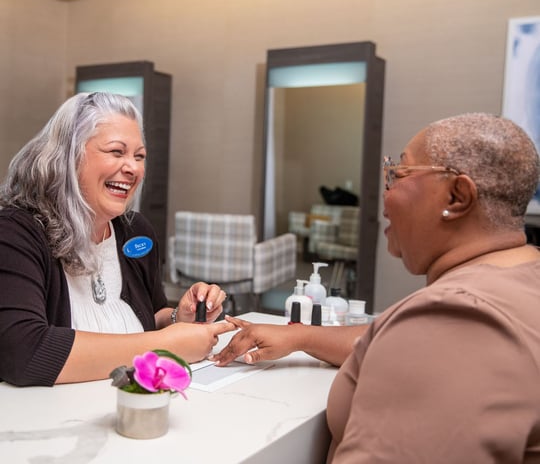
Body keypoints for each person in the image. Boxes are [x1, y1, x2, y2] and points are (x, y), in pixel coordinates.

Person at [212, 113, 540, 463]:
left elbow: (426, 341)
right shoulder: (522, 276)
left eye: (398, 175)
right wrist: (300, 337)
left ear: (457, 196)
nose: (386, 194)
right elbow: (385, 338)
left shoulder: (456, 321)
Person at [0, 92, 235, 387]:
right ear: (69, 156)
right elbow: (23, 352)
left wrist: (178, 318)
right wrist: (166, 345)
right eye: (116, 152)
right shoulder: (15, 233)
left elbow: (151, 316)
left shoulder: (136, 231)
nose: (134, 168)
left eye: (139, 156)